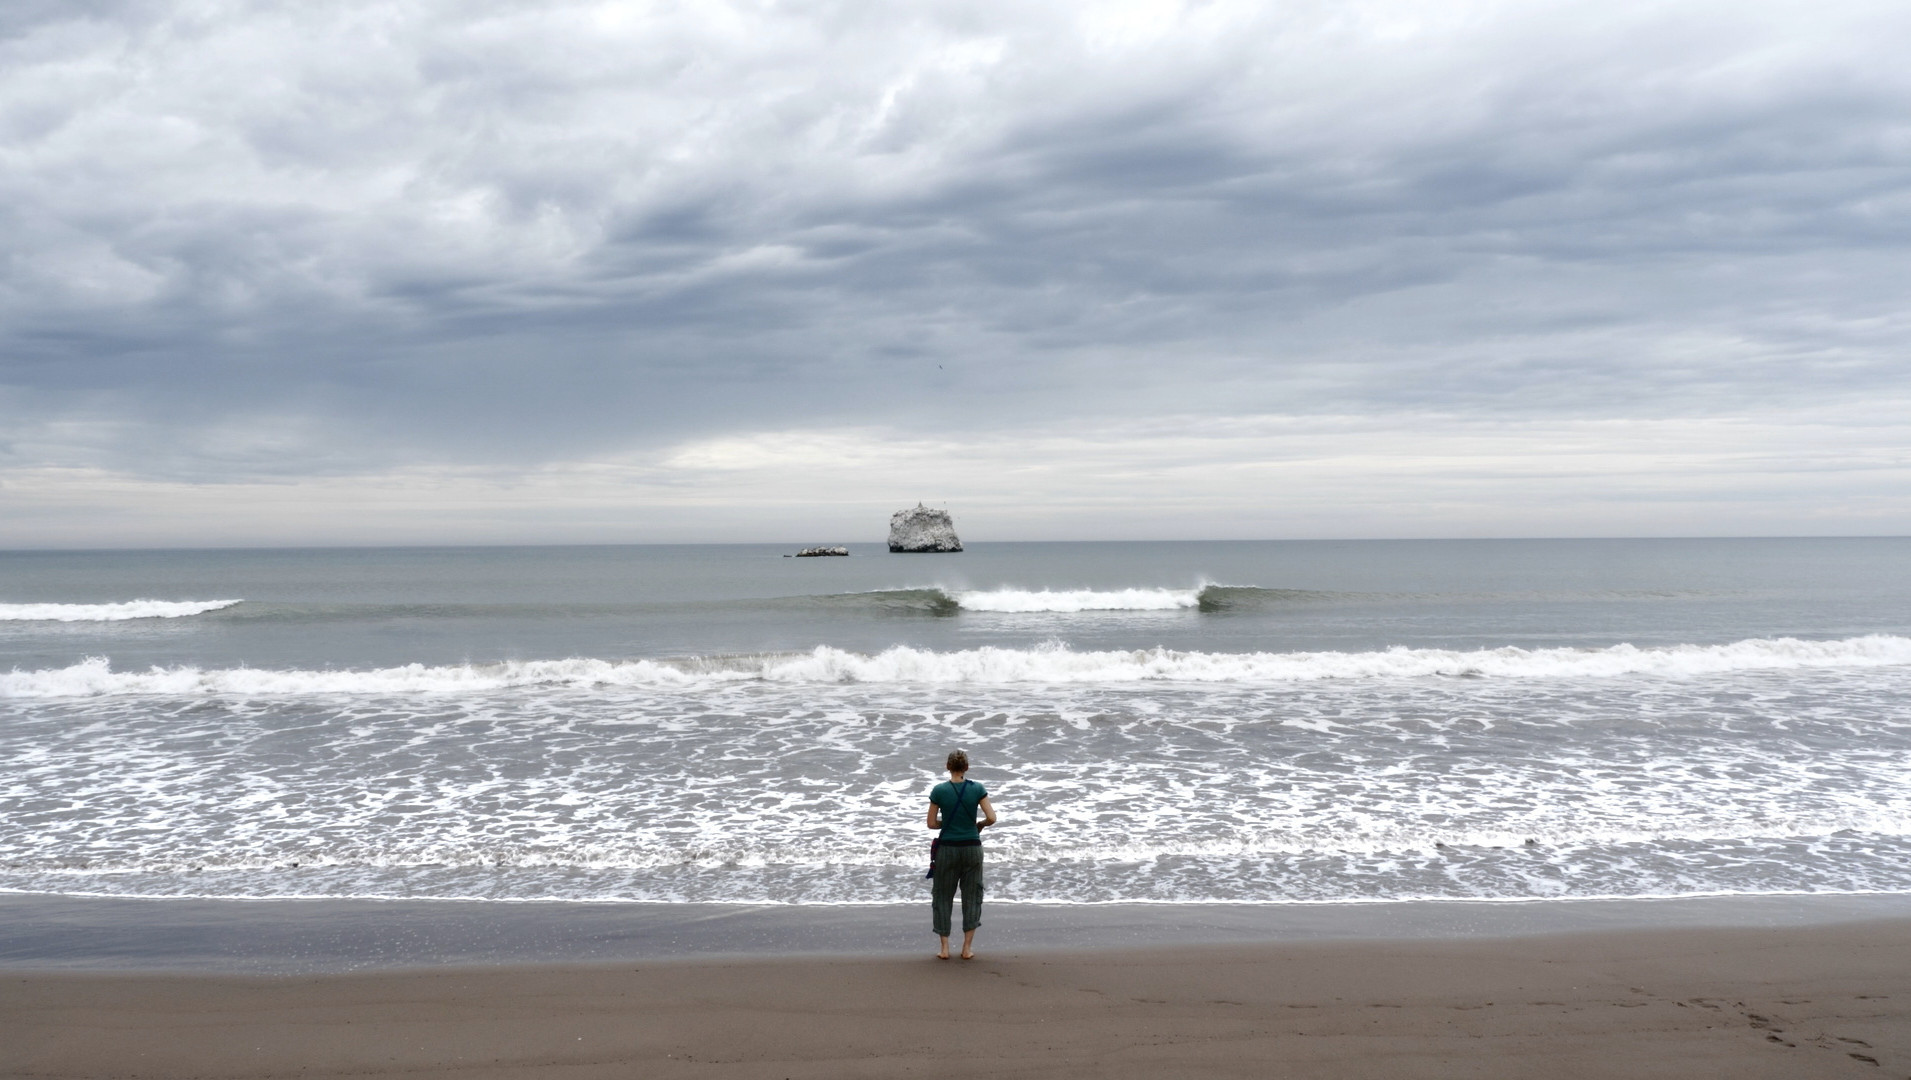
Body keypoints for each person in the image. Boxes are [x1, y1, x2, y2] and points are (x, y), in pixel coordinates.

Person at [926, 749, 996, 960]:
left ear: (948, 767)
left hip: (947, 849)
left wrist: (947, 823)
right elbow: (992, 818)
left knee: (942, 896)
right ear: (966, 767)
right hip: (972, 849)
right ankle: (966, 948)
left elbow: (931, 824)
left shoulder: (939, 790)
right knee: (972, 896)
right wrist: (979, 824)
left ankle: (945, 949)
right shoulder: (977, 789)